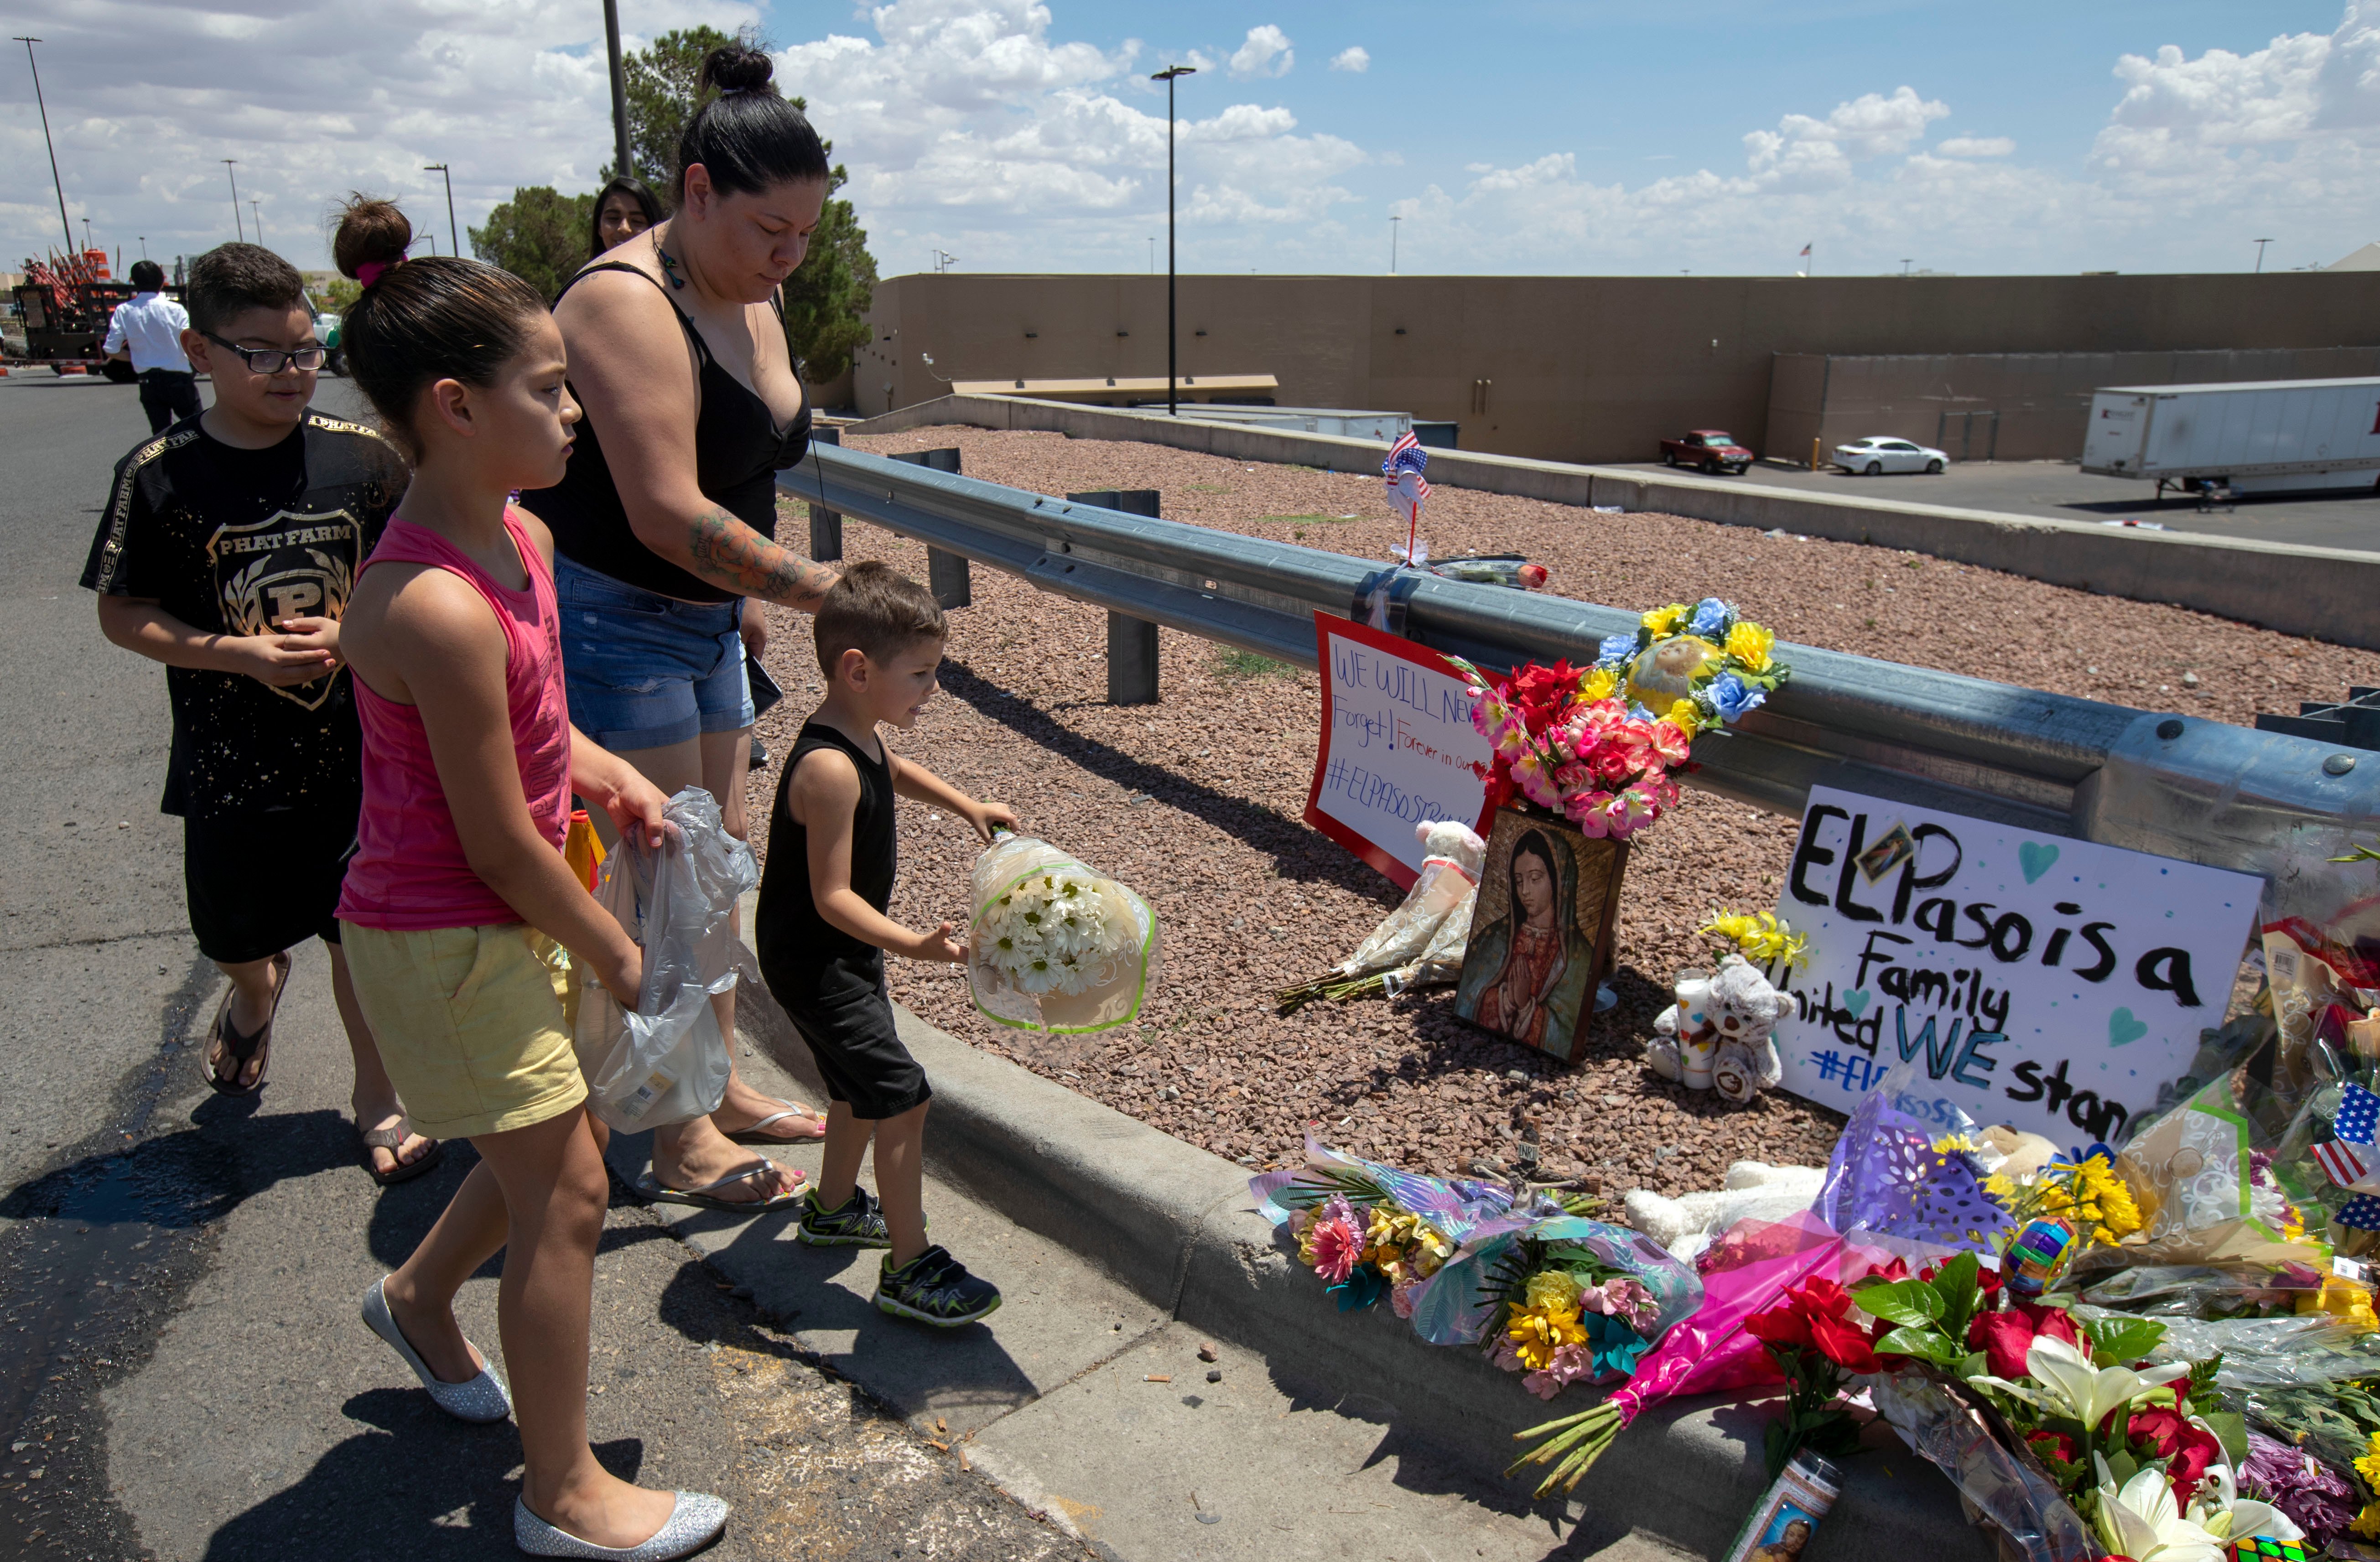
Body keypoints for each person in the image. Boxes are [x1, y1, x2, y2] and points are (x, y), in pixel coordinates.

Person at [327, 194, 732, 1559]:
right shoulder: (428, 599)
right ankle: (557, 1490)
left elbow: (542, 739)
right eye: (550, 390)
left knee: (545, 1143)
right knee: (566, 1182)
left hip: (519, 900)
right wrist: (620, 953)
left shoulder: (528, 539)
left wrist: (610, 771)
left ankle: (420, 1295)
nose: (574, 414)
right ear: (452, 403)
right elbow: (491, 835)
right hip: (446, 927)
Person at [519, 41, 843, 1211]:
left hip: (708, 630)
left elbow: (748, 455)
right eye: (770, 232)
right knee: (651, 889)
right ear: (695, 191)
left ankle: (708, 1085)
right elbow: (664, 511)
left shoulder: (747, 285)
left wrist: (750, 602)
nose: (789, 257)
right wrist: (819, 591)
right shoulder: (621, 298)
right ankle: (674, 1134)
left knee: (709, 875)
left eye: (805, 233)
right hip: (620, 620)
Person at [81, 240, 437, 1186]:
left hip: (358, 753)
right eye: (263, 354)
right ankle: (252, 993)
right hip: (230, 762)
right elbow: (122, 611)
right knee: (235, 937)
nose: (292, 371)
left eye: (306, 350)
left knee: (356, 931)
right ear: (199, 352)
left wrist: (370, 627)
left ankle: (379, 1094)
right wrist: (229, 651)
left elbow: (416, 569)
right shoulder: (158, 472)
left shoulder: (363, 459)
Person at [757, 561, 1013, 1325]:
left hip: (830, 958)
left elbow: (893, 771)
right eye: (923, 674)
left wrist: (967, 804)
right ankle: (909, 1266)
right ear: (857, 669)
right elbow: (831, 897)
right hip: (818, 962)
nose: (931, 690)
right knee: (901, 1097)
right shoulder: (828, 769)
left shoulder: (856, 733)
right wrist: (913, 945)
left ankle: (834, 1209)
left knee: (855, 1090)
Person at [1453, 828, 1596, 1059]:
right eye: (1519, 881)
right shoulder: (1495, 937)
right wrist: (1507, 1000)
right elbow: (1468, 995)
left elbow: (1567, 1029)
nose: (1525, 891)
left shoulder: (1580, 956)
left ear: (1559, 880)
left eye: (1536, 878)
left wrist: (1527, 1007)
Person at [104, 259, 202, 433]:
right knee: (199, 429)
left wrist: (134, 356)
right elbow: (191, 341)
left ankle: (168, 461)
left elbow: (111, 349)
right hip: (178, 378)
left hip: (148, 381)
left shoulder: (124, 311)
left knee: (160, 436)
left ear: (134, 282)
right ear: (161, 282)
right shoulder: (175, 310)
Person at [588, 175, 665, 259]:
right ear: (599, 227)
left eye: (637, 221)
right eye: (613, 218)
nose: (624, 228)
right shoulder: (587, 272)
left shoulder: (677, 271)